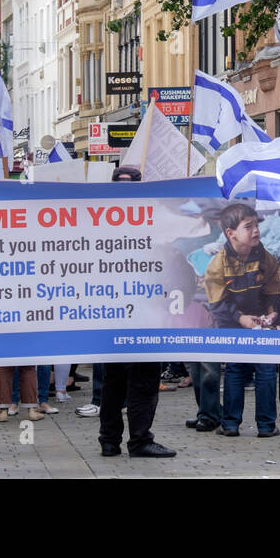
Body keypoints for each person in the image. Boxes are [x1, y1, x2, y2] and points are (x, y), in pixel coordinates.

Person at [97, 166, 175, 458]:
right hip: (143, 315)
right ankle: (139, 440)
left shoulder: (100, 220)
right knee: (141, 381)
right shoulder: (152, 220)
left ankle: (109, 440)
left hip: (112, 314)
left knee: (113, 381)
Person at [205, 202, 280, 439]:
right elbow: (217, 304)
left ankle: (266, 425)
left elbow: (273, 291)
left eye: (257, 225)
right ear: (230, 234)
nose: (256, 231)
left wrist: (273, 313)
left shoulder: (266, 258)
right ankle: (231, 423)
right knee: (235, 370)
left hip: (261, 324)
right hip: (233, 324)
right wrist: (240, 318)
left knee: (265, 370)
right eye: (248, 226)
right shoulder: (217, 264)